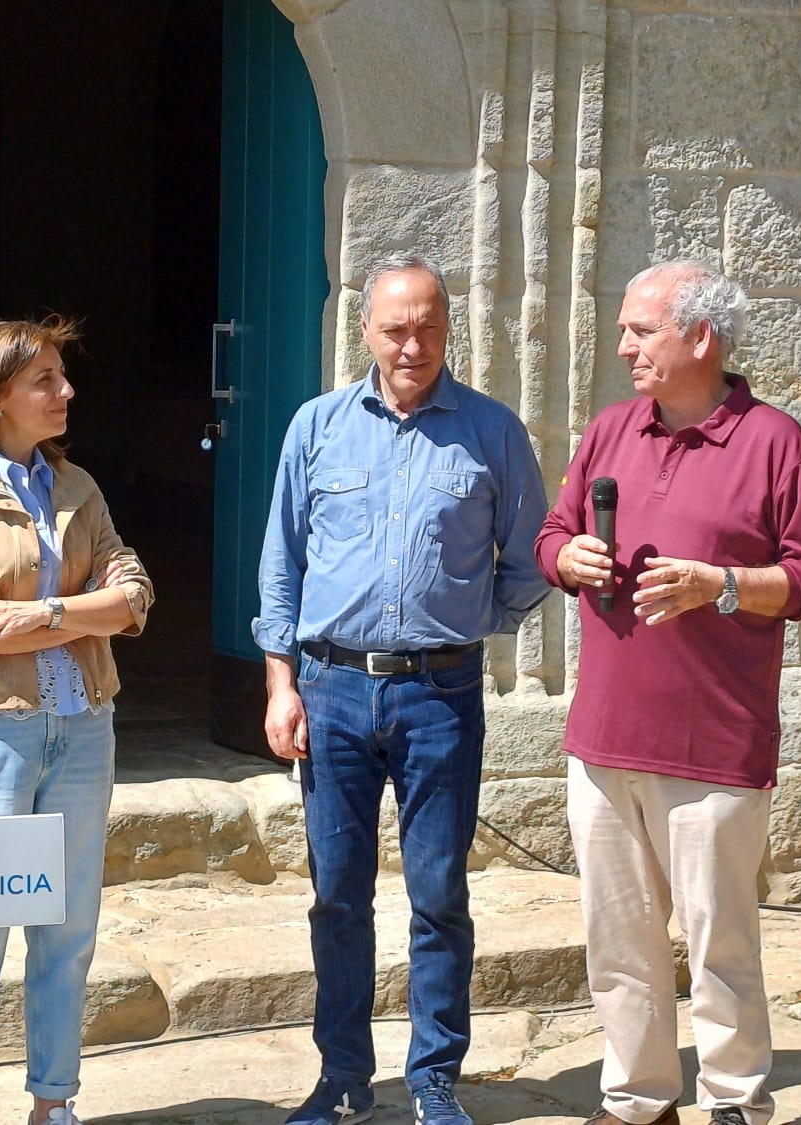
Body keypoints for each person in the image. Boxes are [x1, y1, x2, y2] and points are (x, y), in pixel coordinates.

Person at [536, 261, 801, 1125]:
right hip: (604, 742)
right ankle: (638, 1103)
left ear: (700, 338)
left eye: (642, 329)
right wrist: (566, 558)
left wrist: (722, 584)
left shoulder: (778, 444)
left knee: (720, 949)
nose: (624, 344)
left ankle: (735, 1105)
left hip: (714, 748)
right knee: (621, 946)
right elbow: (554, 532)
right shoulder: (608, 433)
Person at [254, 253, 550, 1125]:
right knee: (337, 893)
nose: (411, 343)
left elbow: (531, 558)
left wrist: (469, 622)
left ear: (448, 328)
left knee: (438, 891)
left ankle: (434, 1078)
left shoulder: (493, 432)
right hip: (334, 691)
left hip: (440, 696)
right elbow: (282, 567)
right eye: (395, 327)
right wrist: (282, 684)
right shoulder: (315, 427)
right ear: (366, 331)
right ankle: (343, 1075)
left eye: (426, 325)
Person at [0, 317, 153, 1125]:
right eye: (45, 379)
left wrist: (41, 611)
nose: (66, 391)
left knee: (68, 927)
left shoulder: (79, 487)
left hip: (83, 725)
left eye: (61, 377)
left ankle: (54, 1102)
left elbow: (137, 594)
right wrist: (88, 611)